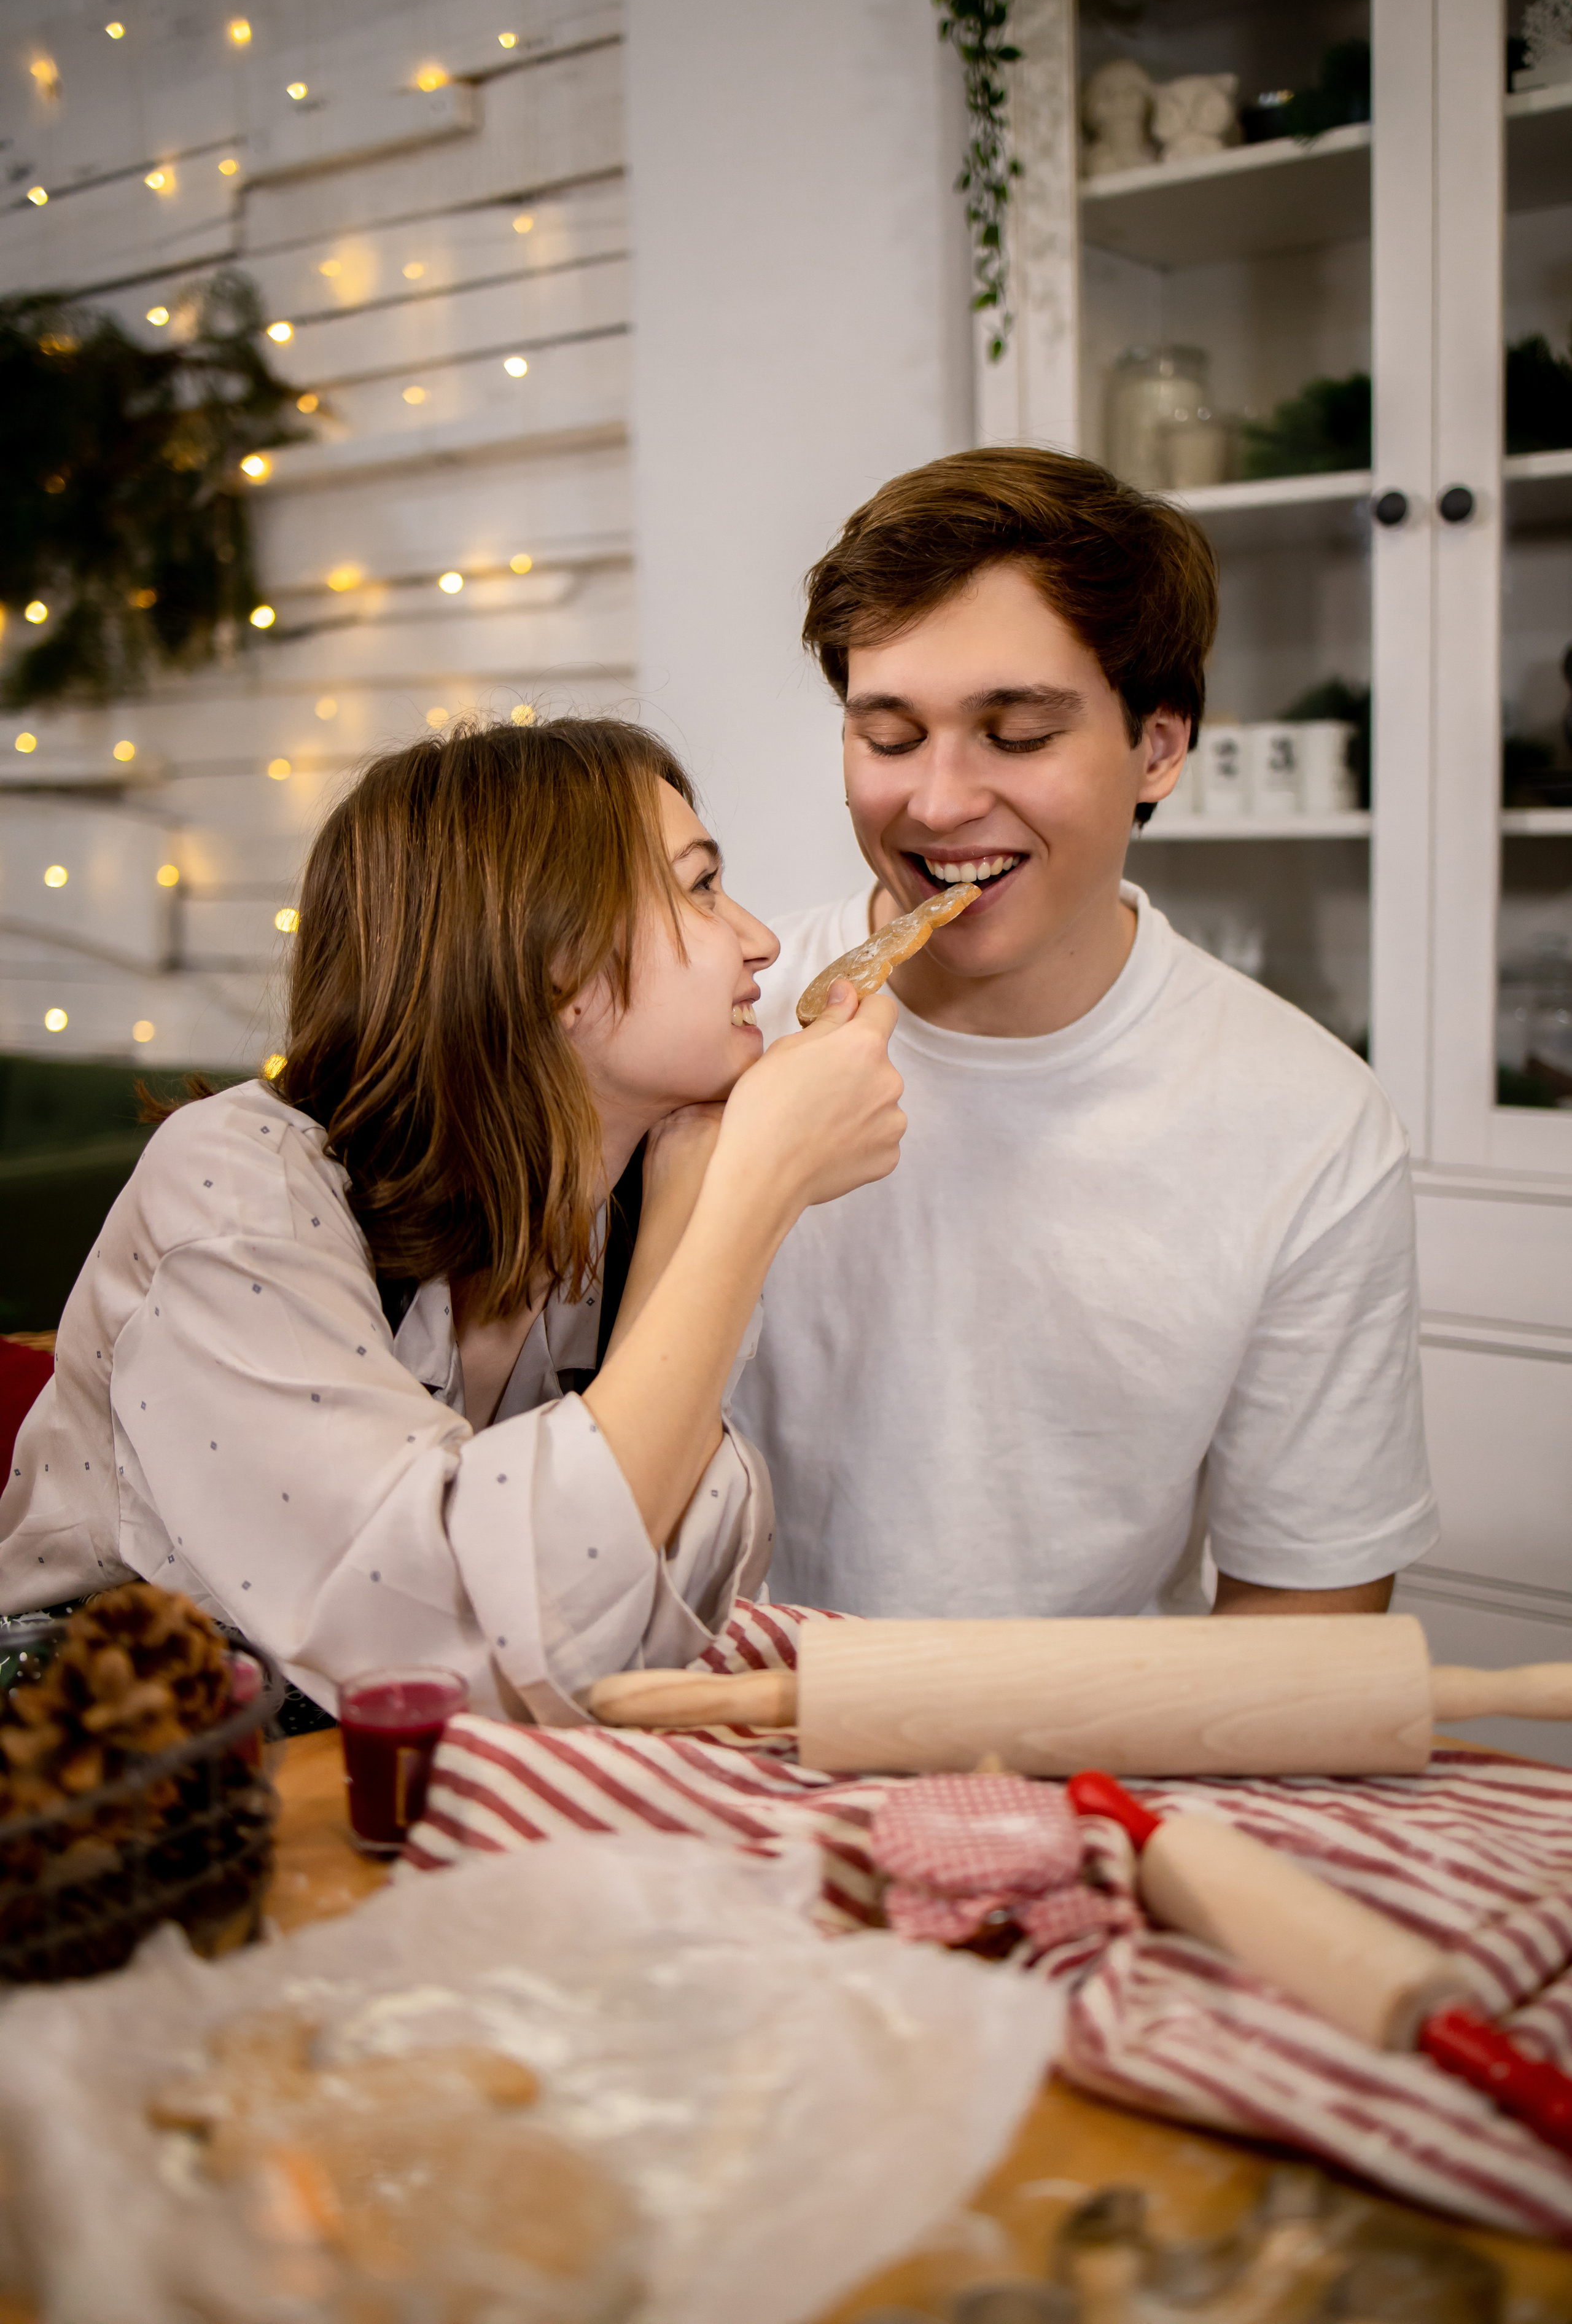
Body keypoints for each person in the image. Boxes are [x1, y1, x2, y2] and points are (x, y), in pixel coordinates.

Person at [0, 720, 905, 1718]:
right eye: (698, 886)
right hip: (104, 1790)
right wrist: (754, 1195)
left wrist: (692, 1215)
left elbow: (641, 1622)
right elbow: (429, 1647)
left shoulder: (631, 1202)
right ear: (551, 960)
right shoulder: (237, 1187)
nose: (761, 940)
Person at [731, 446, 1438, 1621]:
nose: (941, 803)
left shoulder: (1308, 1119)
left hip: (1100, 1770)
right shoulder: (728, 1029)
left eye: (1016, 734)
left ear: (1157, 748)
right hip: (719, 1743)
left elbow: (1305, 1613)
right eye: (891, 738)